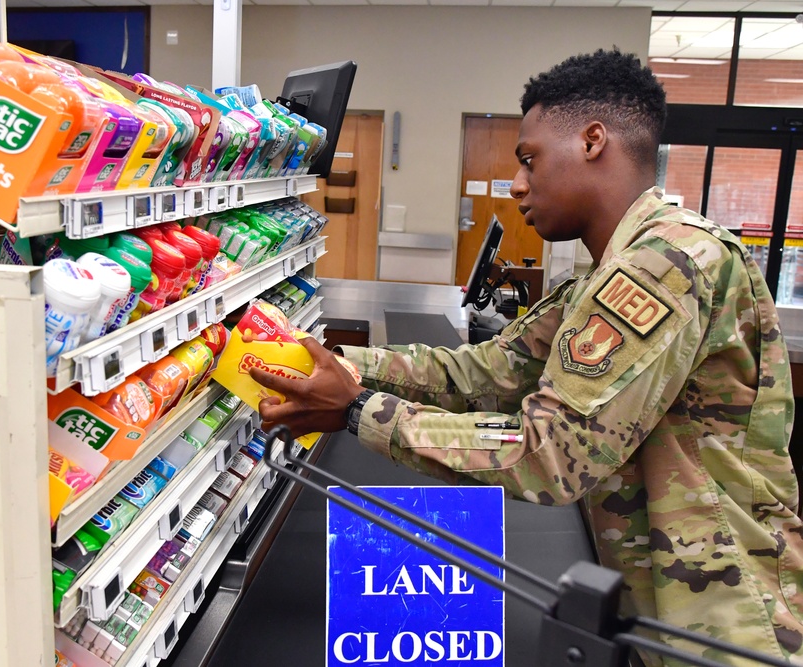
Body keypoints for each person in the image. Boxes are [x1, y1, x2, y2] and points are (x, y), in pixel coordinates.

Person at [249, 49, 803, 665]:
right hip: (661, 599)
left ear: (594, 141)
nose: (517, 184)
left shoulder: (664, 265)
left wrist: (358, 412)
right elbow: (488, 370)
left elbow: (552, 453)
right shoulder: (613, 271)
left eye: (530, 160)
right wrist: (352, 365)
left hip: (721, 622)